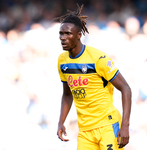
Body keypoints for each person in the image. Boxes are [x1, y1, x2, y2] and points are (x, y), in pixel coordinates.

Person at [54, 4, 132, 150]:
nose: (63, 38)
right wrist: (61, 121)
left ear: (78, 35)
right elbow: (67, 94)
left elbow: (126, 89)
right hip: (85, 131)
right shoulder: (62, 61)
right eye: (61, 33)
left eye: (68, 34)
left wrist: (125, 126)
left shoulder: (98, 59)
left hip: (107, 126)